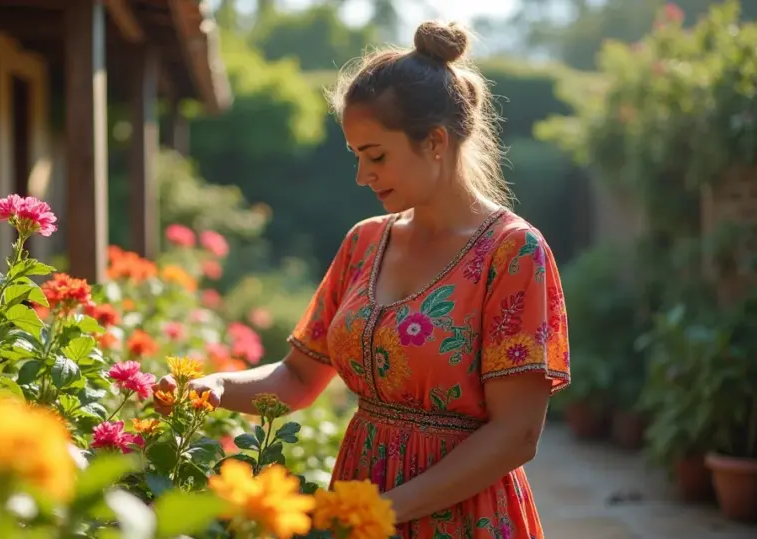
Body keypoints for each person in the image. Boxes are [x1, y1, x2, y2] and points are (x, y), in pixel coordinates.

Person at [155, 19, 570, 539]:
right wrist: (213, 386)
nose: (362, 175)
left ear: (436, 142)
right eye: (356, 156)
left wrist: (385, 511)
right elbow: (300, 379)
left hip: (461, 516)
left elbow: (517, 434)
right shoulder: (365, 242)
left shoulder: (512, 253)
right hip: (358, 506)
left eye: (376, 155)